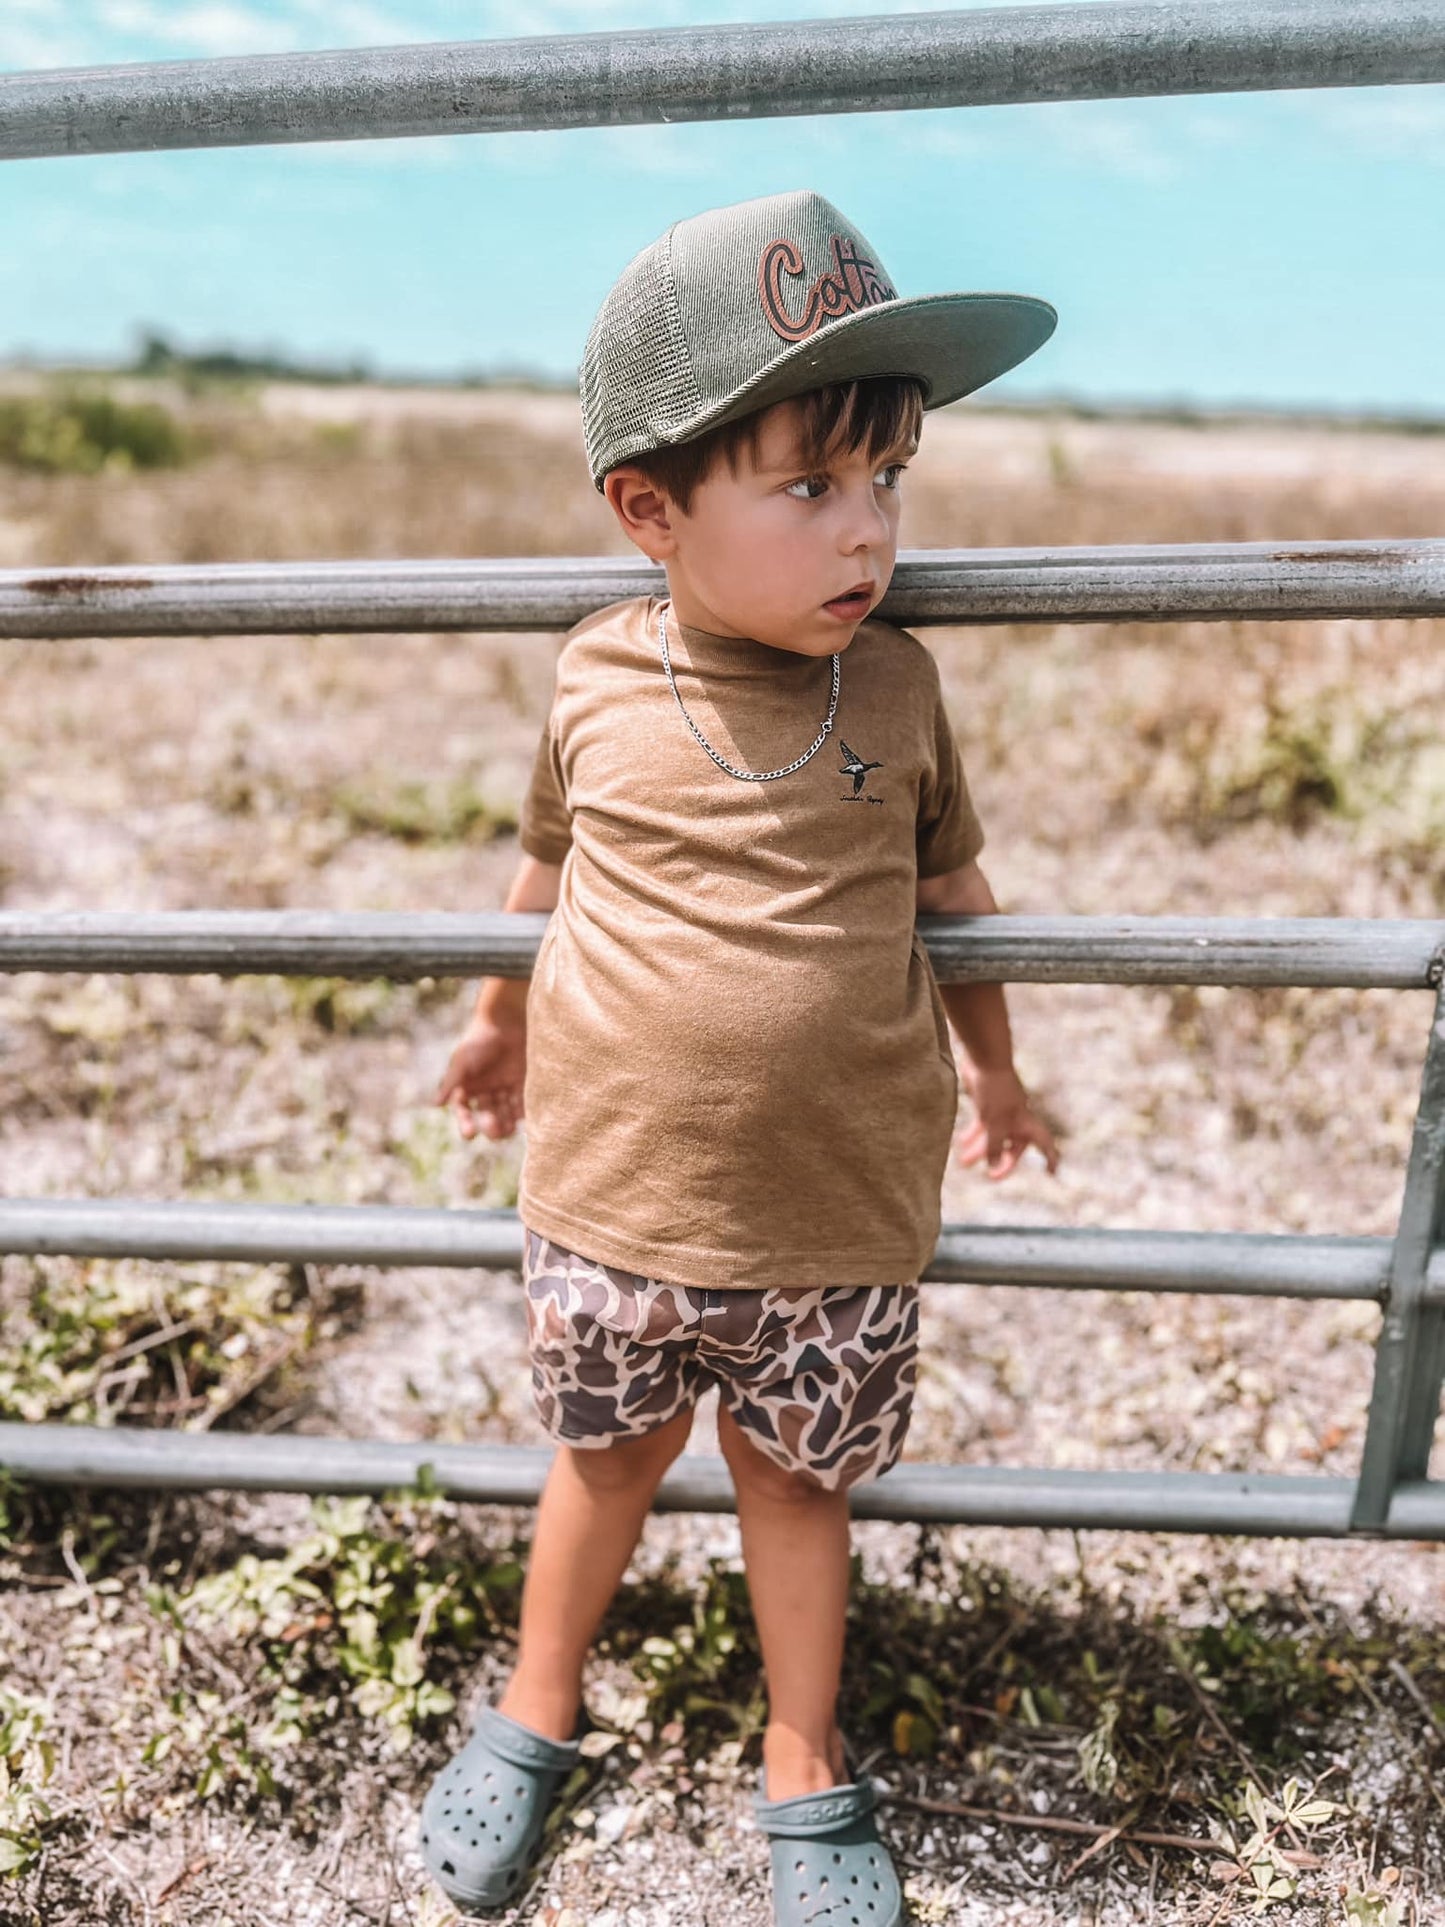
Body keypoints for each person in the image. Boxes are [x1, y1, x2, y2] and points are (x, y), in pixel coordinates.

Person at [424, 188, 1061, 1922]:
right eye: (809, 486)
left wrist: (995, 1076)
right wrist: (494, 1027)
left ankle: (801, 1749)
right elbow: (544, 874)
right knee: (602, 1464)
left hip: (833, 1210)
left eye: (888, 482)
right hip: (618, 1194)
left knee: (796, 1488)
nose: (869, 532)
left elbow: (958, 899)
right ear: (650, 508)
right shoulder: (595, 682)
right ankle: (536, 1700)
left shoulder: (903, 690)